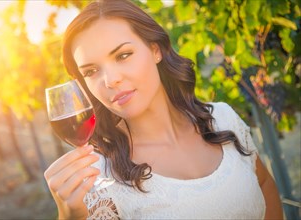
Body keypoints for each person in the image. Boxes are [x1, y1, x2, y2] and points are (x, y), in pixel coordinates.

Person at [44, 0, 283, 219]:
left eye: (123, 55)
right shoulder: (98, 179)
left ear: (155, 50)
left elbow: (264, 185)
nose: (110, 80)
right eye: (91, 71)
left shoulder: (222, 117)